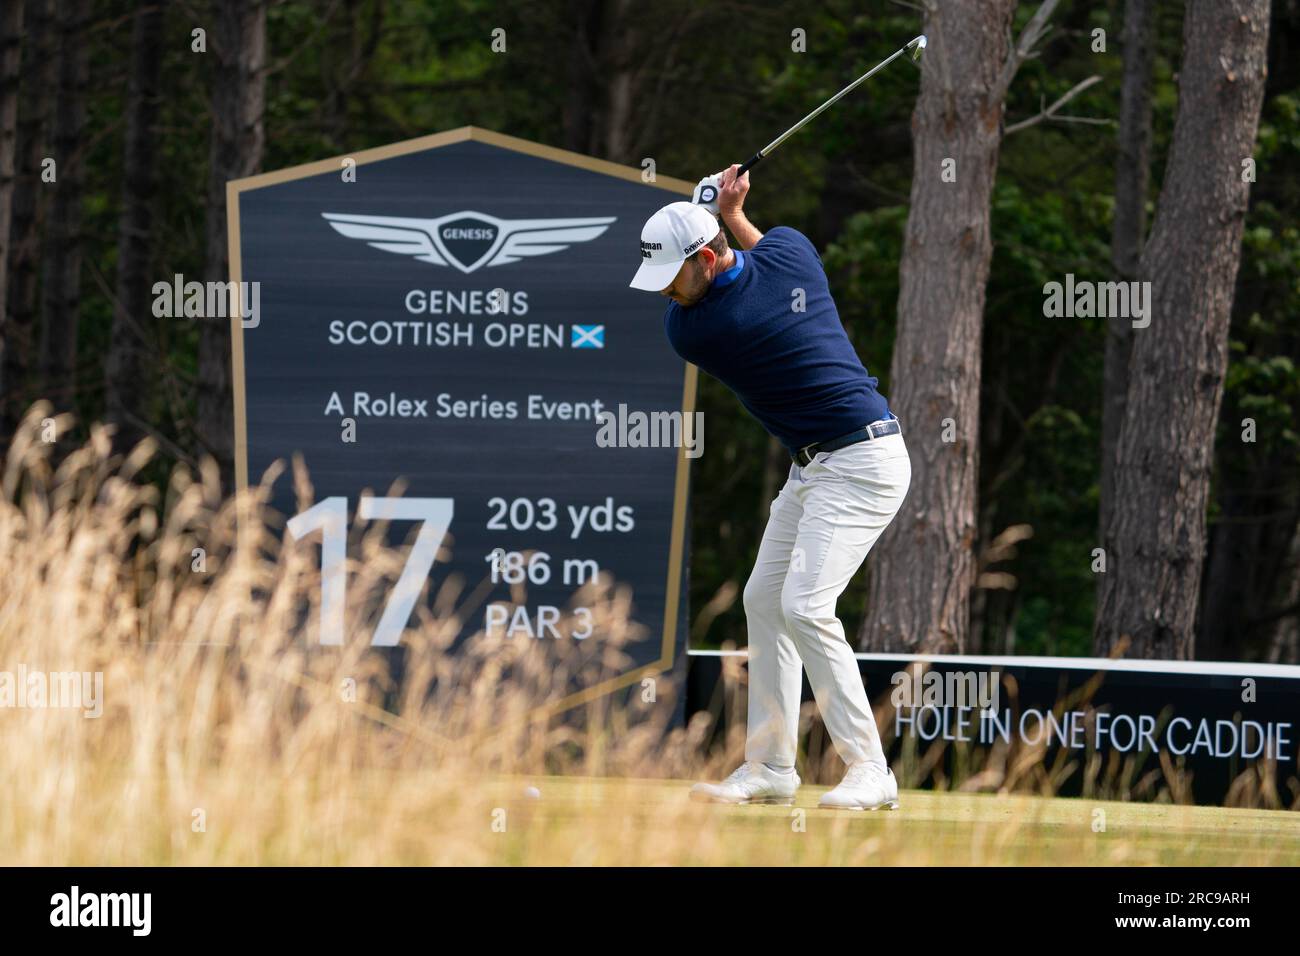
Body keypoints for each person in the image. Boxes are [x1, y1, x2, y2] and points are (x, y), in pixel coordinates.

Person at [628, 166, 911, 809]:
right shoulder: (792, 253)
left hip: (863, 464)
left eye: (671, 277)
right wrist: (731, 211)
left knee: (806, 606)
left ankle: (871, 769)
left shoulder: (704, 329)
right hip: (815, 467)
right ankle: (772, 766)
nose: (665, 294)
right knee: (764, 601)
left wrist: (717, 212)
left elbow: (739, 279)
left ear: (702, 259)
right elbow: (757, 255)